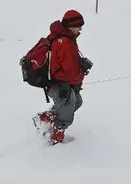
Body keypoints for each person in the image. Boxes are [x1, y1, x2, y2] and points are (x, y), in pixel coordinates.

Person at [34, 10, 93, 145]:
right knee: (67, 107)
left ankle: (44, 118)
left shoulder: (61, 36)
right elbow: (71, 73)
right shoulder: (65, 42)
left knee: (77, 101)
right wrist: (83, 71)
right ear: (72, 26)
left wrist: (79, 64)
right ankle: (55, 138)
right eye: (79, 26)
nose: (80, 30)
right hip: (57, 83)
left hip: (56, 80)